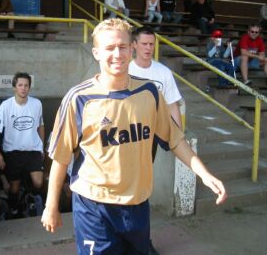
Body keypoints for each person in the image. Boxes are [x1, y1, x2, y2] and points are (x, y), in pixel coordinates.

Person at [41, 18, 227, 254]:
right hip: (94, 207)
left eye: (122, 47)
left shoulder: (149, 92)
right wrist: (51, 206)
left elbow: (175, 140)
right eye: (109, 48)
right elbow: (61, 157)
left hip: (137, 204)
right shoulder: (78, 99)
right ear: (96, 52)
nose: (117, 54)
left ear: (132, 50)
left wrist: (204, 174)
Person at [129, 26, 182, 255]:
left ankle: (142, 241)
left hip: (149, 140)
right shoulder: (125, 70)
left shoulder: (163, 73)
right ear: (134, 45)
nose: (149, 48)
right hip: (126, 139)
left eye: (152, 44)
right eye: (144, 44)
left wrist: (178, 134)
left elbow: (172, 105)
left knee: (141, 191)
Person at [0, 72, 45, 218]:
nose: (23, 88)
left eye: (26, 85)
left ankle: (31, 197)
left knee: (38, 183)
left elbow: (40, 126)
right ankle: (14, 207)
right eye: (20, 85)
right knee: (13, 189)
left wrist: (41, 147)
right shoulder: (5, 106)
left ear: (29, 88)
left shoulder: (37, 104)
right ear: (14, 87)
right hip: (13, 153)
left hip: (33, 150)